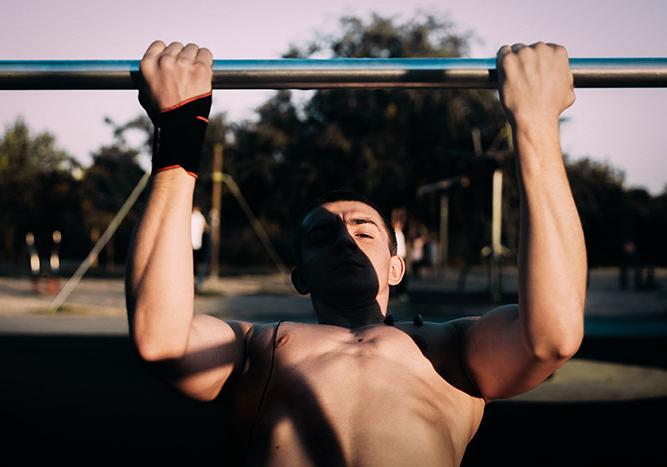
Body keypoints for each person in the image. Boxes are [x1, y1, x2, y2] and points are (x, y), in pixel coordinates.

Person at [126, 40, 586, 466]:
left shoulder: (455, 350)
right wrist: (179, 130)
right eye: (323, 236)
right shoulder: (257, 347)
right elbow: (160, 340)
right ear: (300, 277)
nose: (345, 238)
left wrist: (536, 126)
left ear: (395, 267)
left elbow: (554, 335)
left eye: (363, 231)